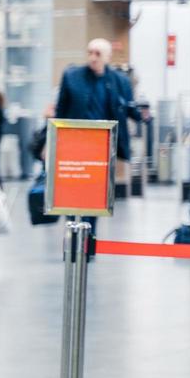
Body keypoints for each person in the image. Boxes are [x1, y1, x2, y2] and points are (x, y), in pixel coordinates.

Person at [54, 38, 130, 234]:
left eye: (97, 54)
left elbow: (129, 109)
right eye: (90, 52)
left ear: (107, 56)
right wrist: (52, 143)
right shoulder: (72, 77)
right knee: (73, 192)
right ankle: (73, 236)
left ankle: (89, 238)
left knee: (96, 196)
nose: (92, 57)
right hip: (75, 146)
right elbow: (60, 112)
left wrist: (143, 115)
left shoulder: (118, 81)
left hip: (102, 148)